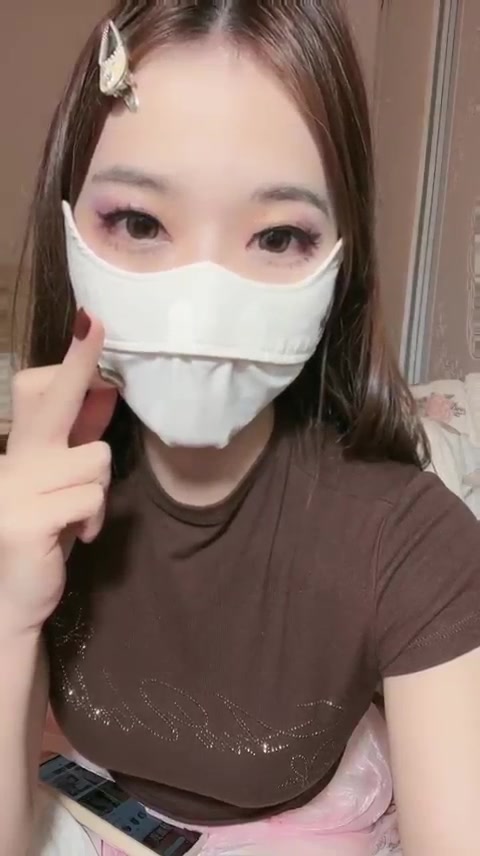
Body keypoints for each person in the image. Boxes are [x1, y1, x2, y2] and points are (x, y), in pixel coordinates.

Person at [1, 2, 480, 854]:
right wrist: (7, 609)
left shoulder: (412, 545)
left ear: (340, 261)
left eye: (278, 236)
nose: (202, 306)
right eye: (140, 223)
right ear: (68, 222)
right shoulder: (30, 495)